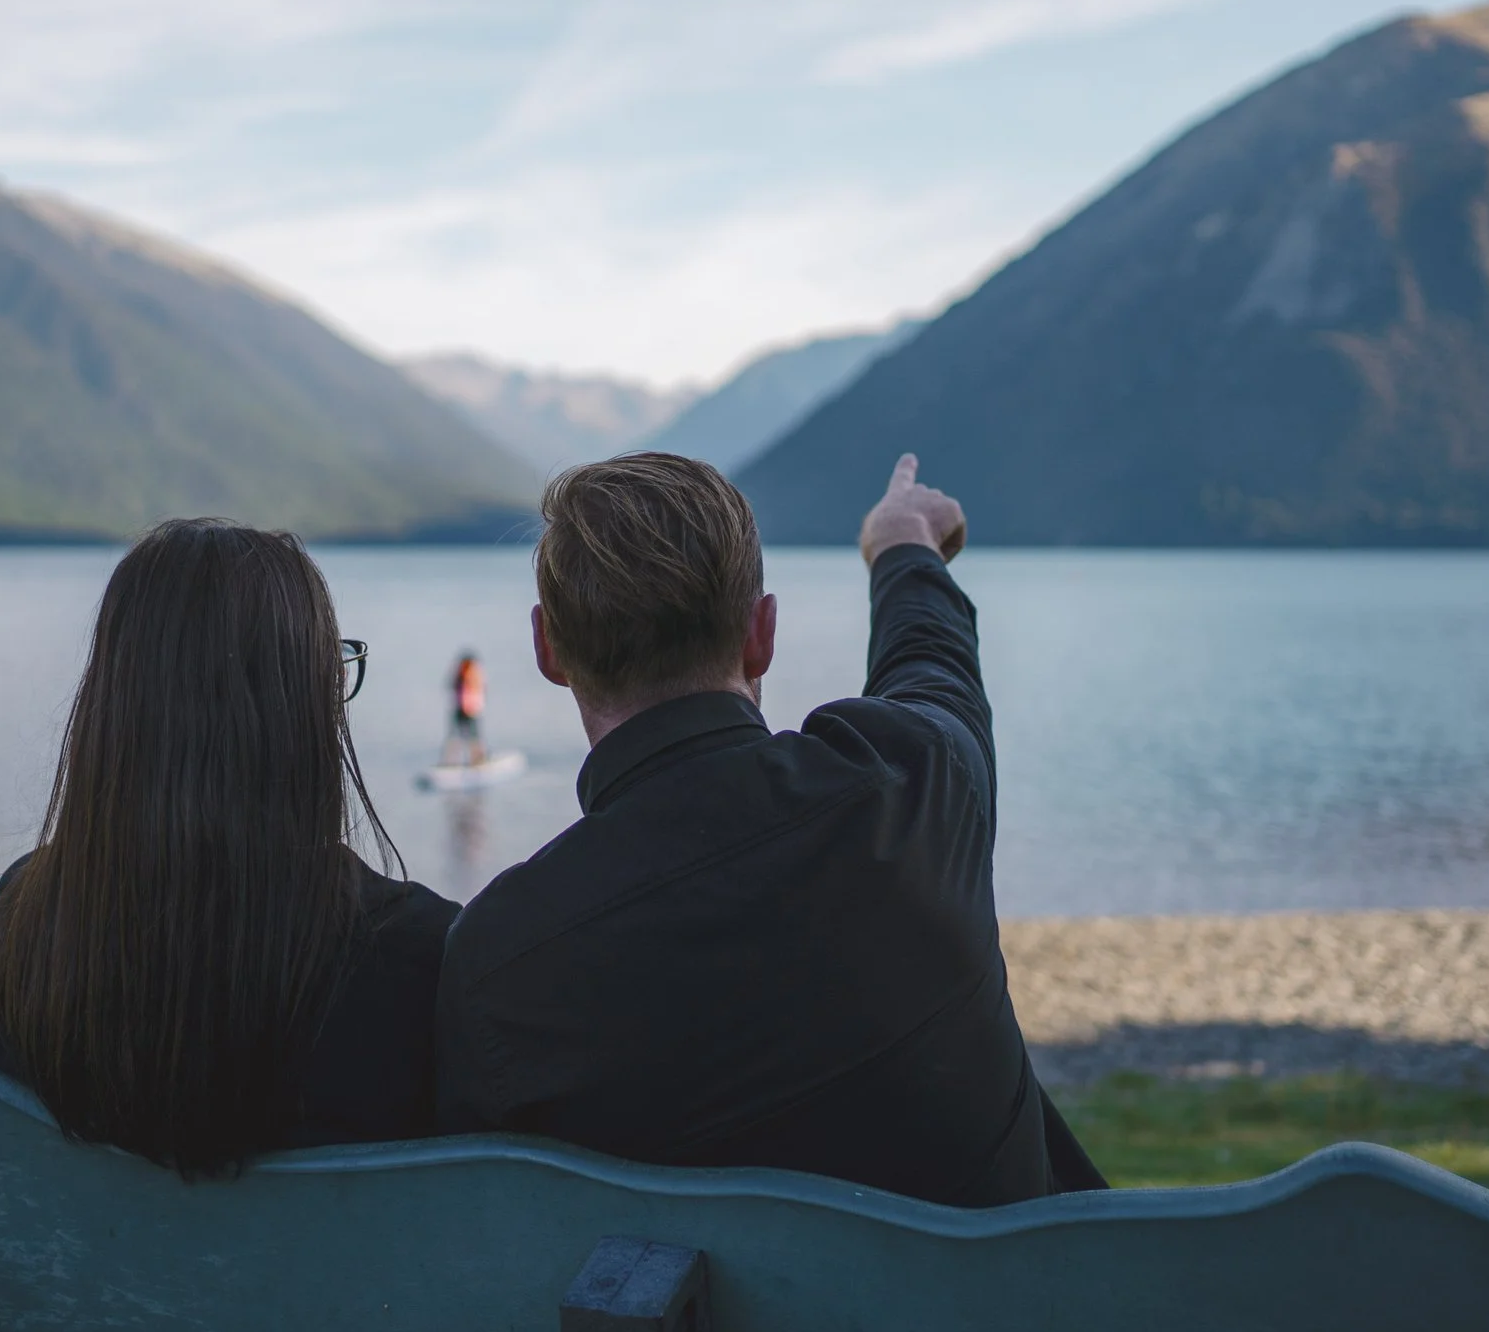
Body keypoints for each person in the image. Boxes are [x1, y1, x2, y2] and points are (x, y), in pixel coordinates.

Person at [433, 452, 1105, 1207]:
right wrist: (904, 548)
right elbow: (933, 671)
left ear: (547, 648)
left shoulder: (501, 963)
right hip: (1013, 1317)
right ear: (763, 633)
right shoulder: (910, 786)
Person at [0, 518, 456, 1176]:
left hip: (77, 1279)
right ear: (304, 699)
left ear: (116, 699)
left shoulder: (26, 920)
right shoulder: (418, 953)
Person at [441, 650, 487, 766]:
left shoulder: (471, 674)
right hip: (464, 710)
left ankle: (476, 761)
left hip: (470, 710)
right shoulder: (463, 675)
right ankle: (452, 762)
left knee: (472, 737)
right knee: (460, 737)